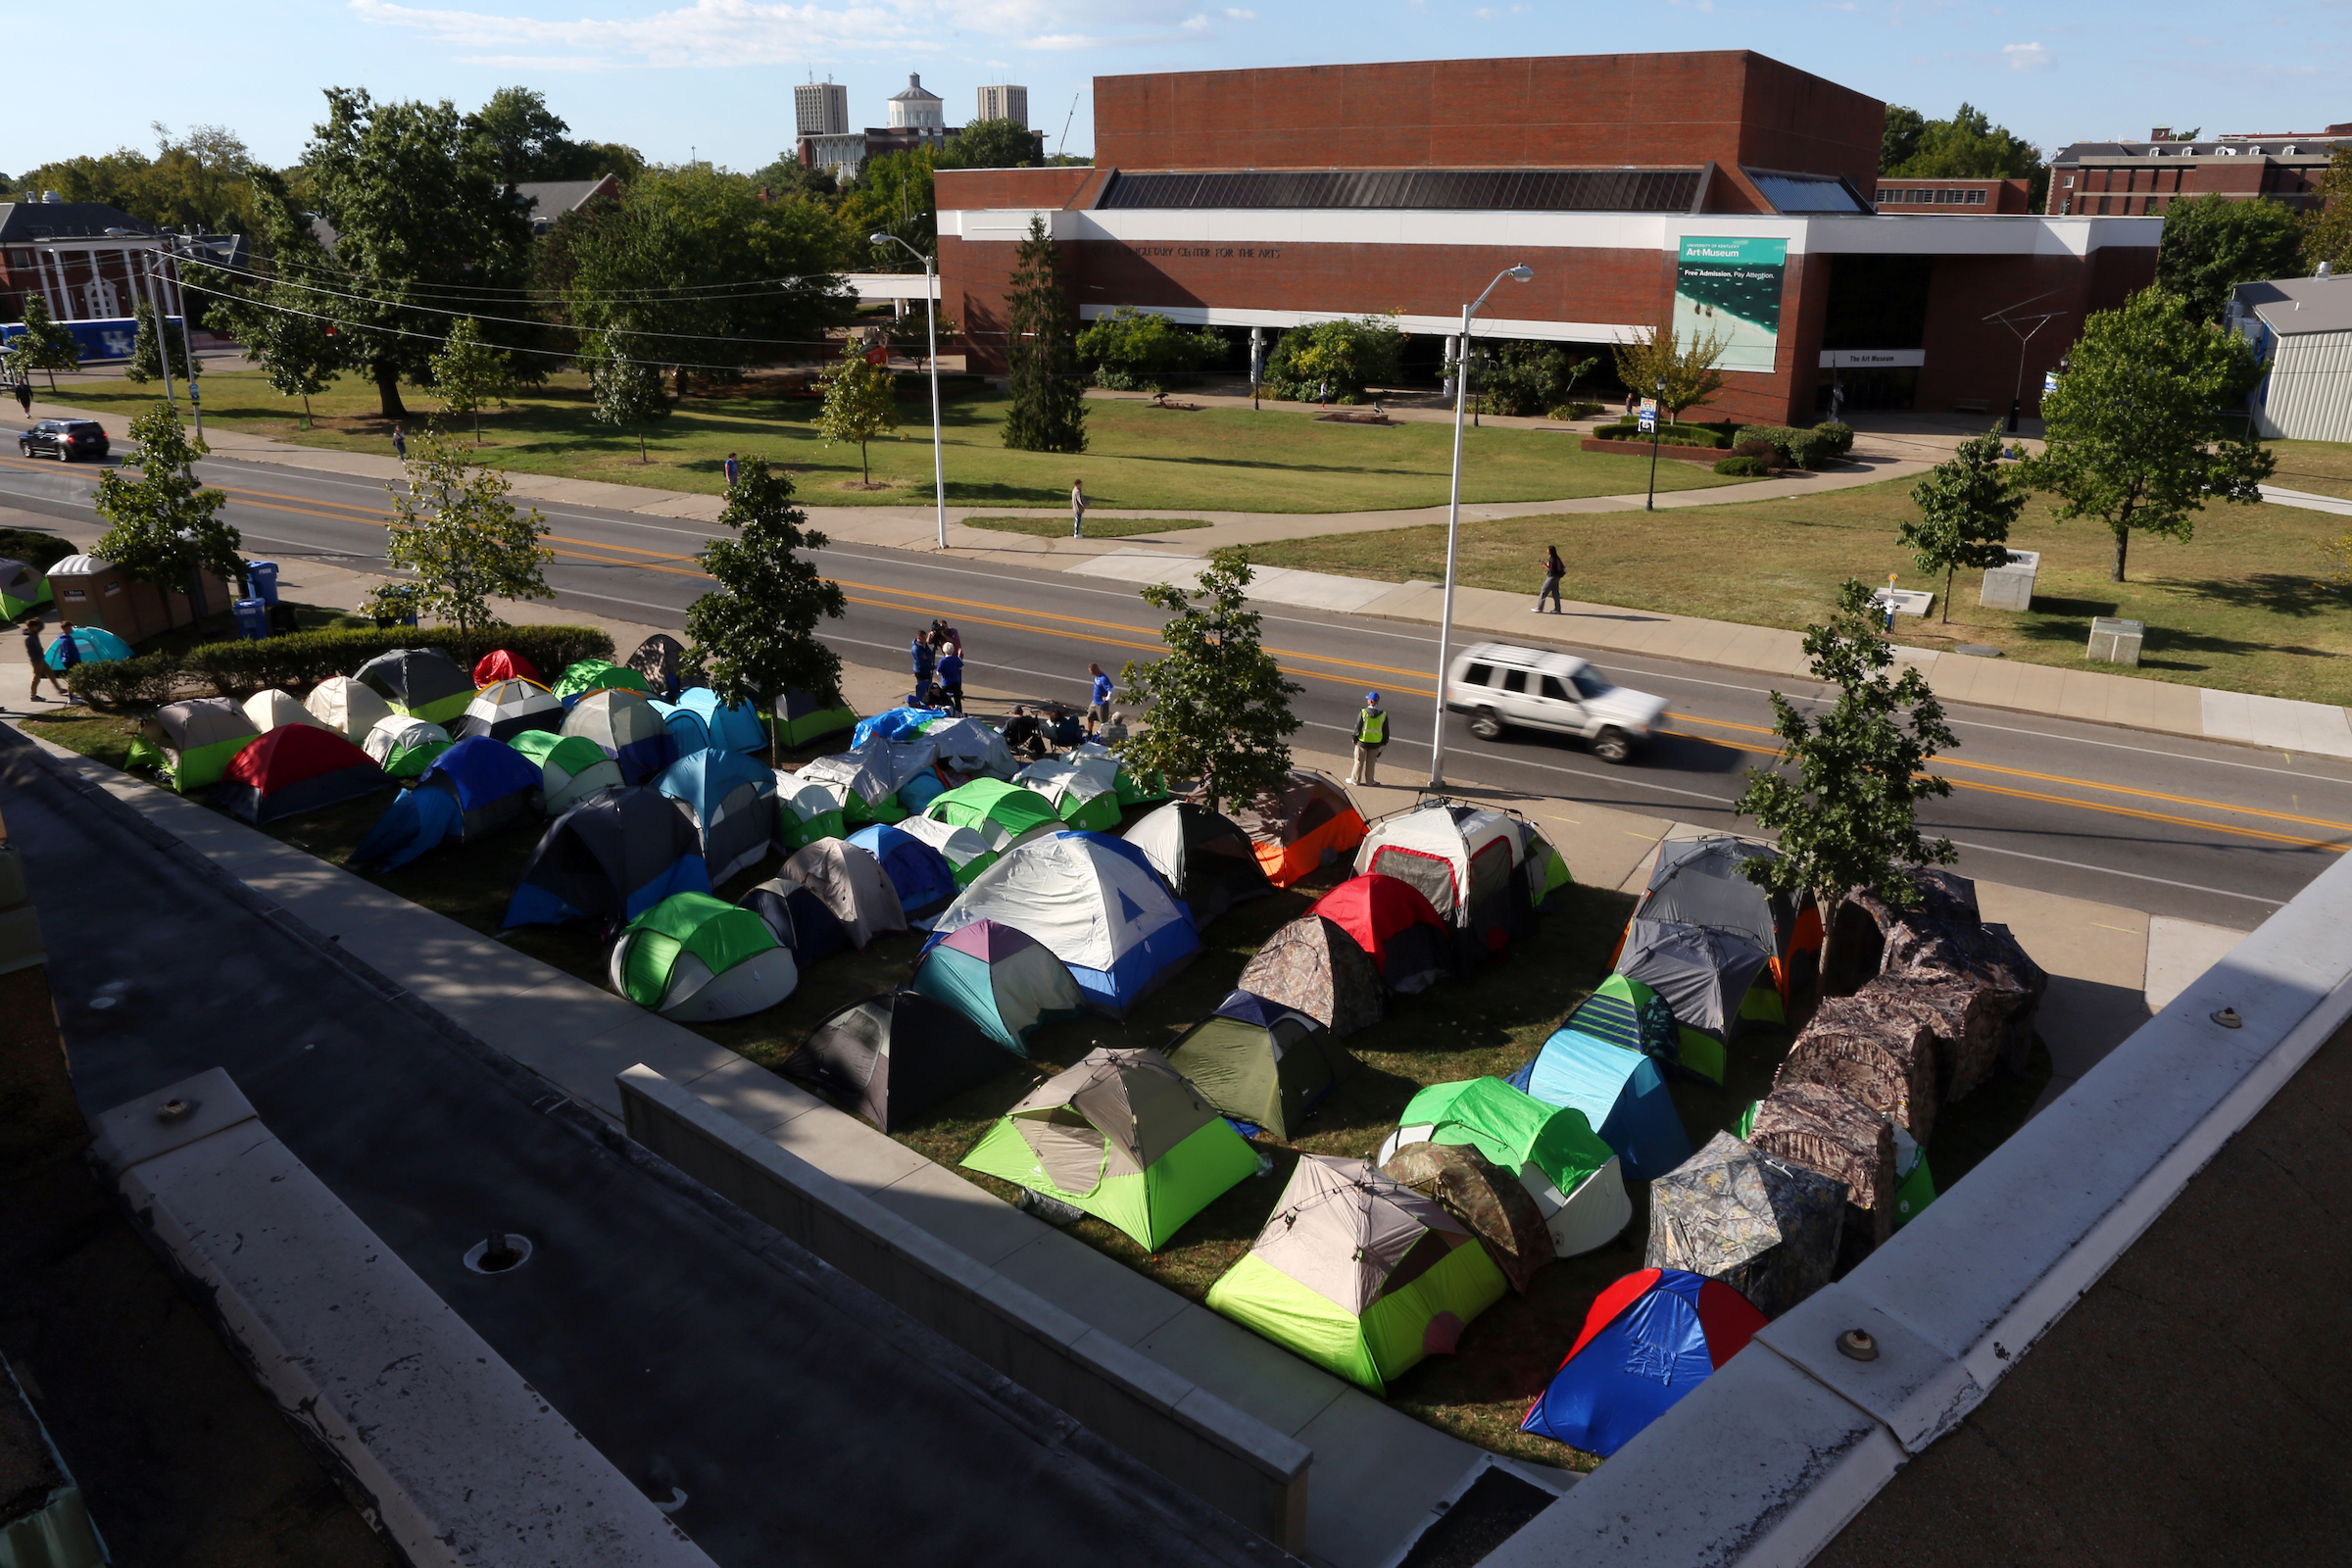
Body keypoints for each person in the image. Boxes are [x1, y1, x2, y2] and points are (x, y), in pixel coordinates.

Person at [21, 615, 67, 704]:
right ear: (32, 627)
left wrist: (39, 621)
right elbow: (30, 652)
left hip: (41, 659)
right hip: (37, 661)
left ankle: (59, 689)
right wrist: (36, 660)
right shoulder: (29, 638)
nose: (38, 627)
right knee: (37, 677)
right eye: (36, 626)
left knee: (50, 673)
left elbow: (41, 627)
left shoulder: (34, 634)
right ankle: (33, 695)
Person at [1348, 691, 1388, 787]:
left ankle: (1355, 780)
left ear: (1370, 701)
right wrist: (1384, 741)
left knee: (1358, 761)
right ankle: (1370, 781)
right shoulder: (1383, 714)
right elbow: (1385, 729)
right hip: (1376, 742)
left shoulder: (1363, 712)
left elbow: (1358, 727)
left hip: (1362, 741)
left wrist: (1354, 738)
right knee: (1371, 763)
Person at [1535, 544, 1565, 613]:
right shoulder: (1557, 558)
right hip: (1557, 577)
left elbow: (1551, 570)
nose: (1547, 551)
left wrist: (1544, 566)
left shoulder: (1552, 559)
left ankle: (1540, 608)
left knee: (1543, 591)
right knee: (1555, 593)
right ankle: (1558, 609)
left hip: (1552, 578)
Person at [909, 627, 936, 706]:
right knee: (922, 689)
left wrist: (927, 658)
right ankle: (922, 703)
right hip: (921, 672)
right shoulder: (916, 649)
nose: (925, 639)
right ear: (919, 638)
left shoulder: (924, 645)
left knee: (928, 687)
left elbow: (931, 655)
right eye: (924, 638)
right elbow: (921, 663)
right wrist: (933, 667)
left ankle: (927, 702)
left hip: (927, 671)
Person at [936, 644, 964, 715]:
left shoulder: (942, 661)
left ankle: (948, 712)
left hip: (946, 683)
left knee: (945, 698)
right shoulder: (956, 659)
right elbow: (961, 667)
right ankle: (959, 712)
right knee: (957, 699)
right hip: (956, 681)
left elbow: (938, 673)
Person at [1087, 662, 1113, 727]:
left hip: (1101, 705)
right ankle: (1089, 734)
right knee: (1090, 717)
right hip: (1094, 702)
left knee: (1103, 723)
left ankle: (1103, 736)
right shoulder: (1097, 676)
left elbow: (1111, 689)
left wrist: (1107, 698)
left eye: (1090, 671)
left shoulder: (1103, 679)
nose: (1090, 673)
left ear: (1094, 671)